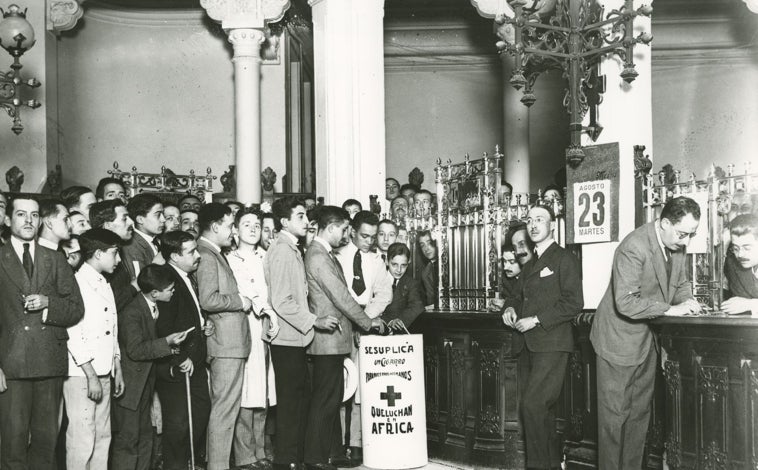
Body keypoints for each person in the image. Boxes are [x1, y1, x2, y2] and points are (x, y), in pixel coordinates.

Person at [590, 196, 702, 470]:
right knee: (614, 420)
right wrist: (671, 310)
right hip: (616, 342)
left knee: (639, 417)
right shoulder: (634, 246)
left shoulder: (676, 246)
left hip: (646, 342)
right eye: (682, 233)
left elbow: (680, 283)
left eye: (692, 234)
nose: (686, 241)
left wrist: (691, 303)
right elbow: (625, 302)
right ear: (664, 223)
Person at [0, 196, 84, 470]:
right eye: (21, 214)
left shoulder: (54, 258)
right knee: (12, 444)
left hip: (49, 362)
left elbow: (75, 308)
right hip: (11, 365)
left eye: (34, 215)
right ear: (7, 219)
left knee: (46, 445)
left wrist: (50, 303)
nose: (28, 221)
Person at [501, 205, 583, 470]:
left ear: (552, 225)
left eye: (540, 219)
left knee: (533, 406)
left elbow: (574, 303)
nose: (533, 224)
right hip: (530, 346)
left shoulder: (564, 258)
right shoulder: (532, 261)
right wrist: (510, 308)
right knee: (541, 413)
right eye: (530, 220)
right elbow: (516, 294)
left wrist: (535, 320)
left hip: (552, 343)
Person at [304, 206, 382, 470]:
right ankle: (315, 458)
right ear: (331, 227)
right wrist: (367, 322)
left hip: (334, 338)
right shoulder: (318, 255)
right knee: (325, 400)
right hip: (327, 340)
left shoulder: (325, 253)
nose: (346, 234)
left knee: (331, 397)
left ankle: (330, 453)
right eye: (344, 229)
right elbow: (341, 296)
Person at [112, 264, 190, 470]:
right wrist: (167, 342)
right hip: (131, 384)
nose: (173, 292)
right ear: (154, 293)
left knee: (146, 435)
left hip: (145, 381)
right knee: (128, 438)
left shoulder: (153, 305)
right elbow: (136, 350)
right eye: (170, 289)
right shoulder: (132, 312)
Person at [196, 202, 253, 470]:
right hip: (225, 344)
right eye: (230, 225)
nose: (233, 231)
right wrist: (239, 301)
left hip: (228, 343)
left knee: (226, 410)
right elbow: (208, 299)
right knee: (224, 411)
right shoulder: (207, 255)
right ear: (216, 226)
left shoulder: (213, 252)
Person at [334, 211, 393, 466]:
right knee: (338, 386)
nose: (370, 241)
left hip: (364, 322)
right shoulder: (337, 255)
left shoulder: (378, 262)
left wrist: (364, 320)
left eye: (373, 236)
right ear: (353, 232)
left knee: (360, 386)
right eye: (365, 236)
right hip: (338, 323)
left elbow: (383, 294)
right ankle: (336, 443)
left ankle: (357, 443)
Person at [64, 228, 125, 470]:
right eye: (115, 253)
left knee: (102, 438)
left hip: (103, 371)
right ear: (98, 253)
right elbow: (73, 333)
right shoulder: (77, 283)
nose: (118, 259)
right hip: (83, 374)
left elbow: (112, 328)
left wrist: (116, 366)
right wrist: (91, 375)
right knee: (82, 439)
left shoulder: (103, 282)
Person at [264, 196, 315, 470]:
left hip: (292, 337)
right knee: (290, 403)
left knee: (295, 400)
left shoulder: (289, 247)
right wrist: (312, 321)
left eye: (306, 216)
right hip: (287, 338)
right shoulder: (283, 250)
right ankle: (287, 461)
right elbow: (282, 301)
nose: (306, 222)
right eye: (300, 216)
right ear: (284, 221)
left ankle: (291, 459)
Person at [155, 231, 213, 470]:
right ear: (174, 257)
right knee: (179, 424)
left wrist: (203, 323)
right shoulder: (167, 280)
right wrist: (180, 356)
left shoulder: (187, 276)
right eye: (191, 252)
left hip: (195, 360)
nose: (198, 255)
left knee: (198, 415)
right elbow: (162, 326)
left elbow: (188, 313)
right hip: (180, 364)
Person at [228, 208, 280, 469]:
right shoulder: (230, 259)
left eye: (257, 225)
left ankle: (261, 452)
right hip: (246, 325)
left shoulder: (267, 256)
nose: (253, 229)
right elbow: (246, 292)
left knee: (265, 394)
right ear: (235, 230)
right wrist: (267, 310)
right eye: (246, 224)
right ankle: (245, 456)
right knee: (247, 394)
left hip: (271, 327)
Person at [89, 199, 138, 311]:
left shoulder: (118, 250)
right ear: (108, 225)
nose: (131, 222)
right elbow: (107, 305)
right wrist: (135, 287)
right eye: (125, 219)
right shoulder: (99, 257)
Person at [123, 193, 166, 280]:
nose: (163, 219)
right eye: (158, 215)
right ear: (140, 219)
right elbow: (140, 284)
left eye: (163, 214)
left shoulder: (156, 240)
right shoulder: (132, 248)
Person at [383, 242, 425, 331]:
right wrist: (389, 322)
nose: (399, 270)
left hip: (400, 334)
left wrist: (399, 321)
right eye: (394, 264)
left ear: (408, 263)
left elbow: (417, 306)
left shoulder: (411, 283)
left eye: (403, 265)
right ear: (386, 261)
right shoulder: (377, 280)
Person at [722, 213, 758, 314]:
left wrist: (750, 304)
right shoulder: (732, 263)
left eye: (747, 248)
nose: (740, 254)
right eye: (736, 248)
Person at [417, 230, 438, 306]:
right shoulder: (426, 272)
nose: (426, 248)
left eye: (429, 243)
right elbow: (431, 300)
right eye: (422, 245)